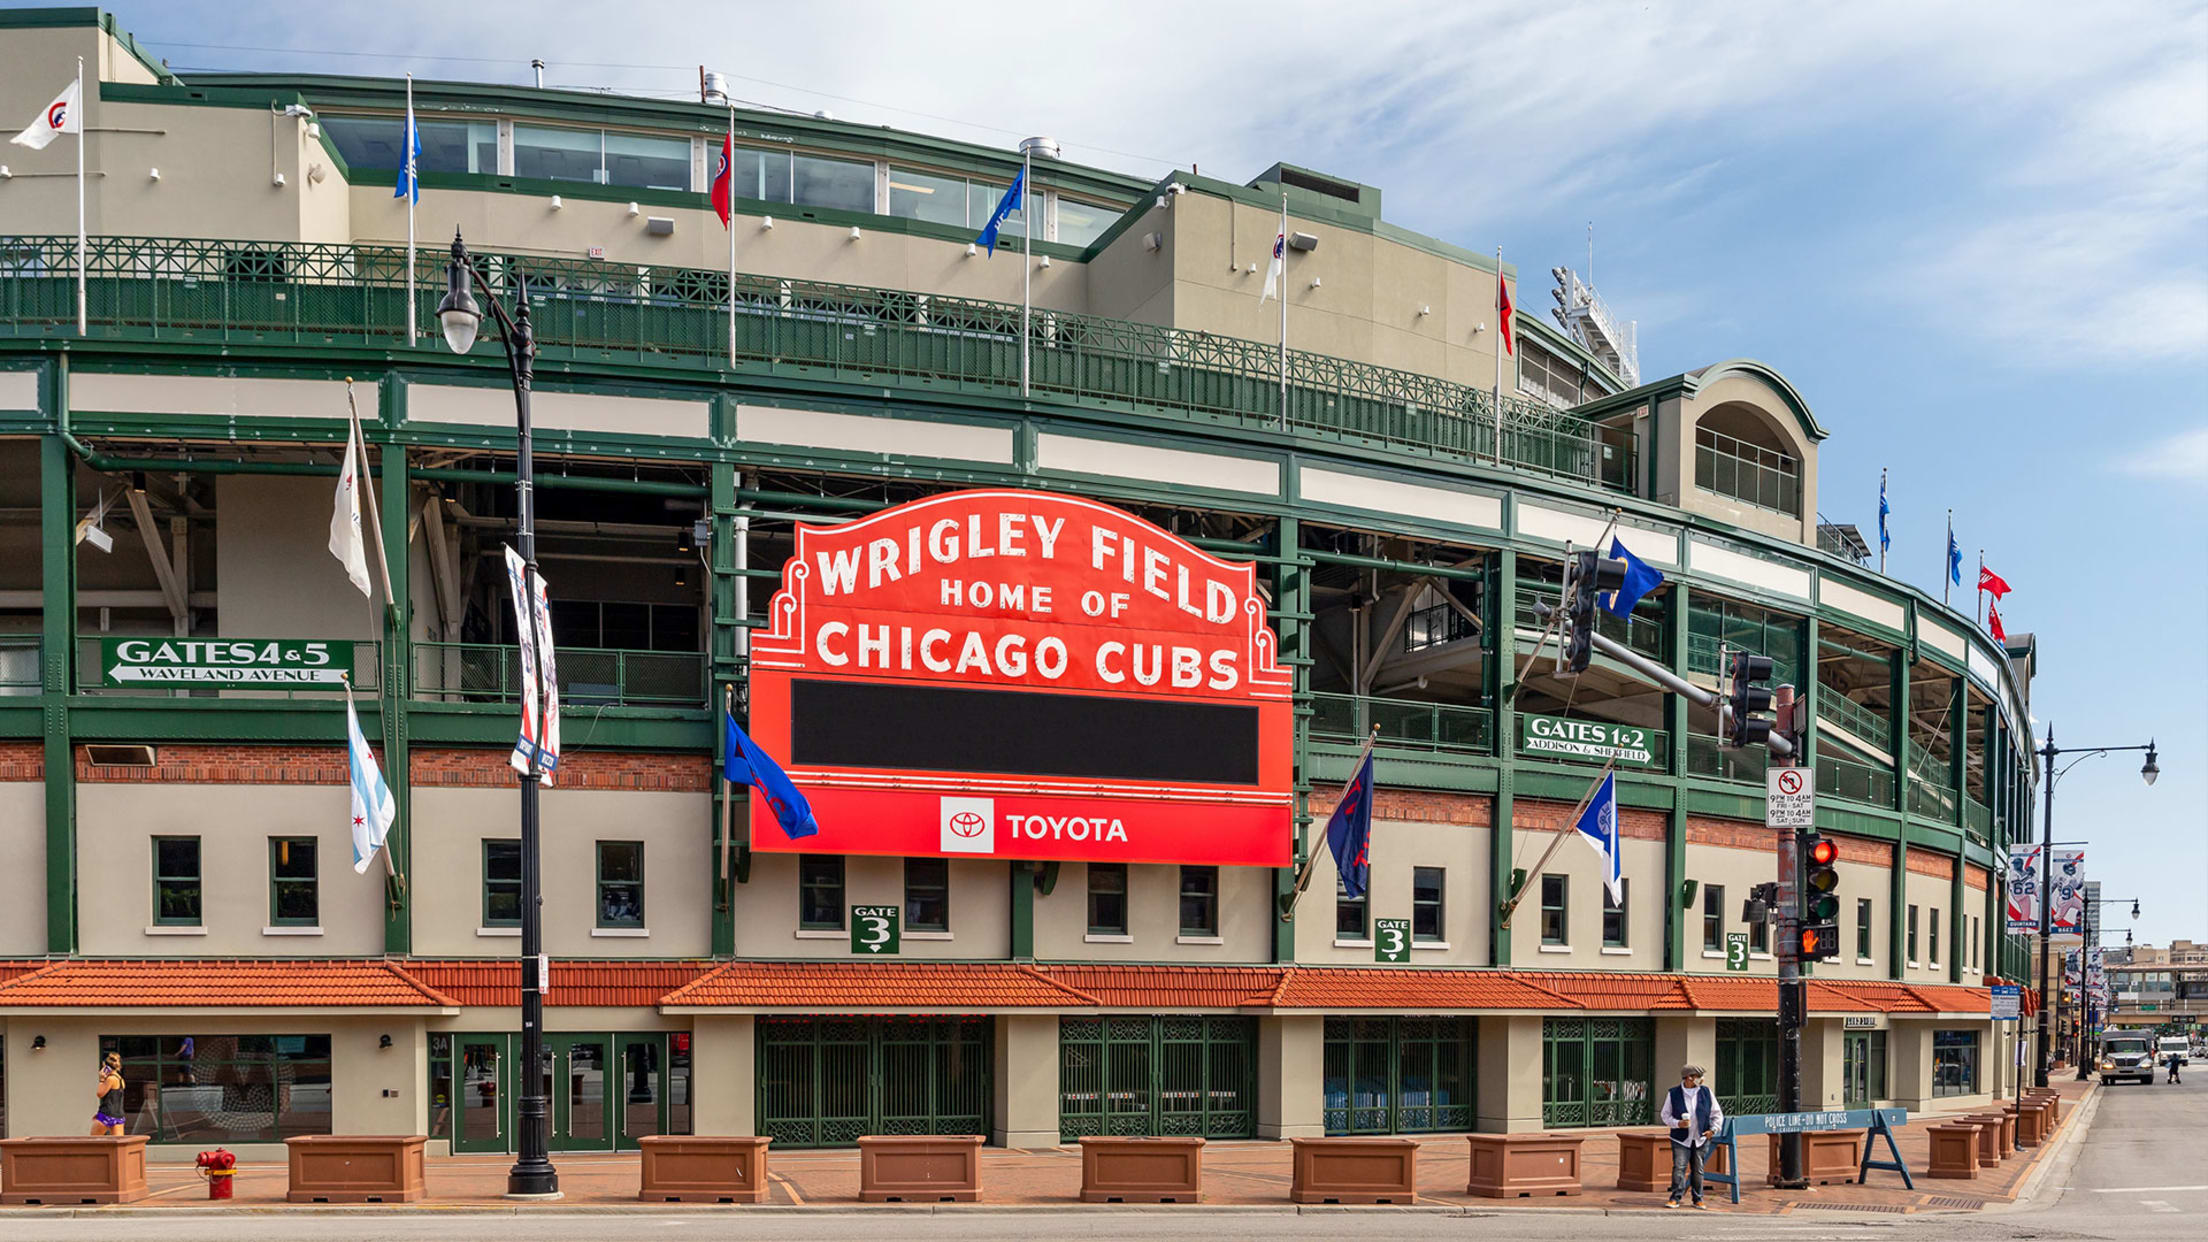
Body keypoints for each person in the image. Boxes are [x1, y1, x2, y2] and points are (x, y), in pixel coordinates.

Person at [1659, 1064, 1724, 1209]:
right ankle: (1675, 1198)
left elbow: (1716, 1114)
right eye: (1698, 1076)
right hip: (1681, 1139)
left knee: (1698, 1169)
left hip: (1700, 1138)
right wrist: (1677, 1123)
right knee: (1679, 1167)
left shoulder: (1706, 1092)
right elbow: (1665, 1115)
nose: (1701, 1079)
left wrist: (1713, 1130)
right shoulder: (1673, 1093)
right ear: (1689, 1078)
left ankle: (1698, 1199)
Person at [90, 1052, 126, 1136]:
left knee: (93, 1141)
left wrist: (102, 1079)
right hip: (118, 1115)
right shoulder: (120, 1079)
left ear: (105, 1065)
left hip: (106, 1114)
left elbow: (100, 1093)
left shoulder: (111, 1079)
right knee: (119, 1144)